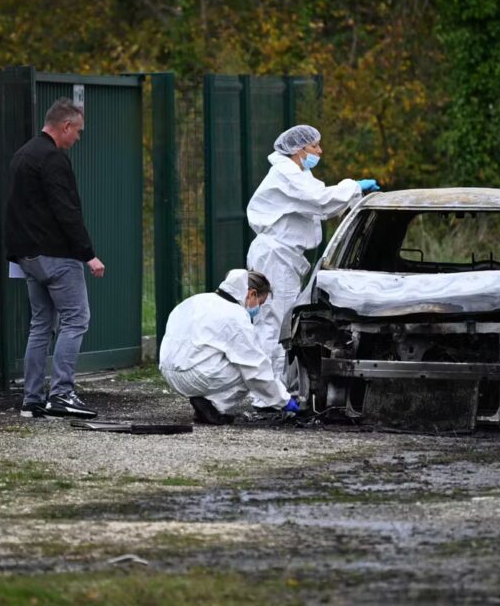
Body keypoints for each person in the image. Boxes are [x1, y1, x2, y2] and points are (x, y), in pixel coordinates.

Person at [246, 124, 379, 391]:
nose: (320, 150)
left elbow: (321, 207)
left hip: (281, 255)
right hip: (276, 255)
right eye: (314, 146)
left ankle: (276, 390)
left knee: (276, 322)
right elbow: (320, 200)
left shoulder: (298, 174)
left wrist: (352, 198)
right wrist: (354, 186)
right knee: (276, 323)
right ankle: (271, 394)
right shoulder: (286, 174)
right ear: (298, 149)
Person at [5, 97, 105, 419]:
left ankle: (31, 400)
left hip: (28, 256)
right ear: (65, 126)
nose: (77, 138)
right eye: (77, 131)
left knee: (40, 324)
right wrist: (88, 254)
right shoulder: (53, 159)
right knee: (77, 319)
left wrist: (18, 254)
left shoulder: (22, 155)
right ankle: (62, 394)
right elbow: (67, 211)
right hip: (57, 256)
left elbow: (15, 209)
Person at [158, 269, 297, 424]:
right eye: (260, 302)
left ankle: (204, 405)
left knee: (231, 359)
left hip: (169, 373)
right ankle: (214, 407)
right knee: (248, 371)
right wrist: (284, 401)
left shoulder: (196, 300)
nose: (258, 309)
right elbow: (256, 369)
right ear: (251, 294)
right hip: (196, 376)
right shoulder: (235, 316)